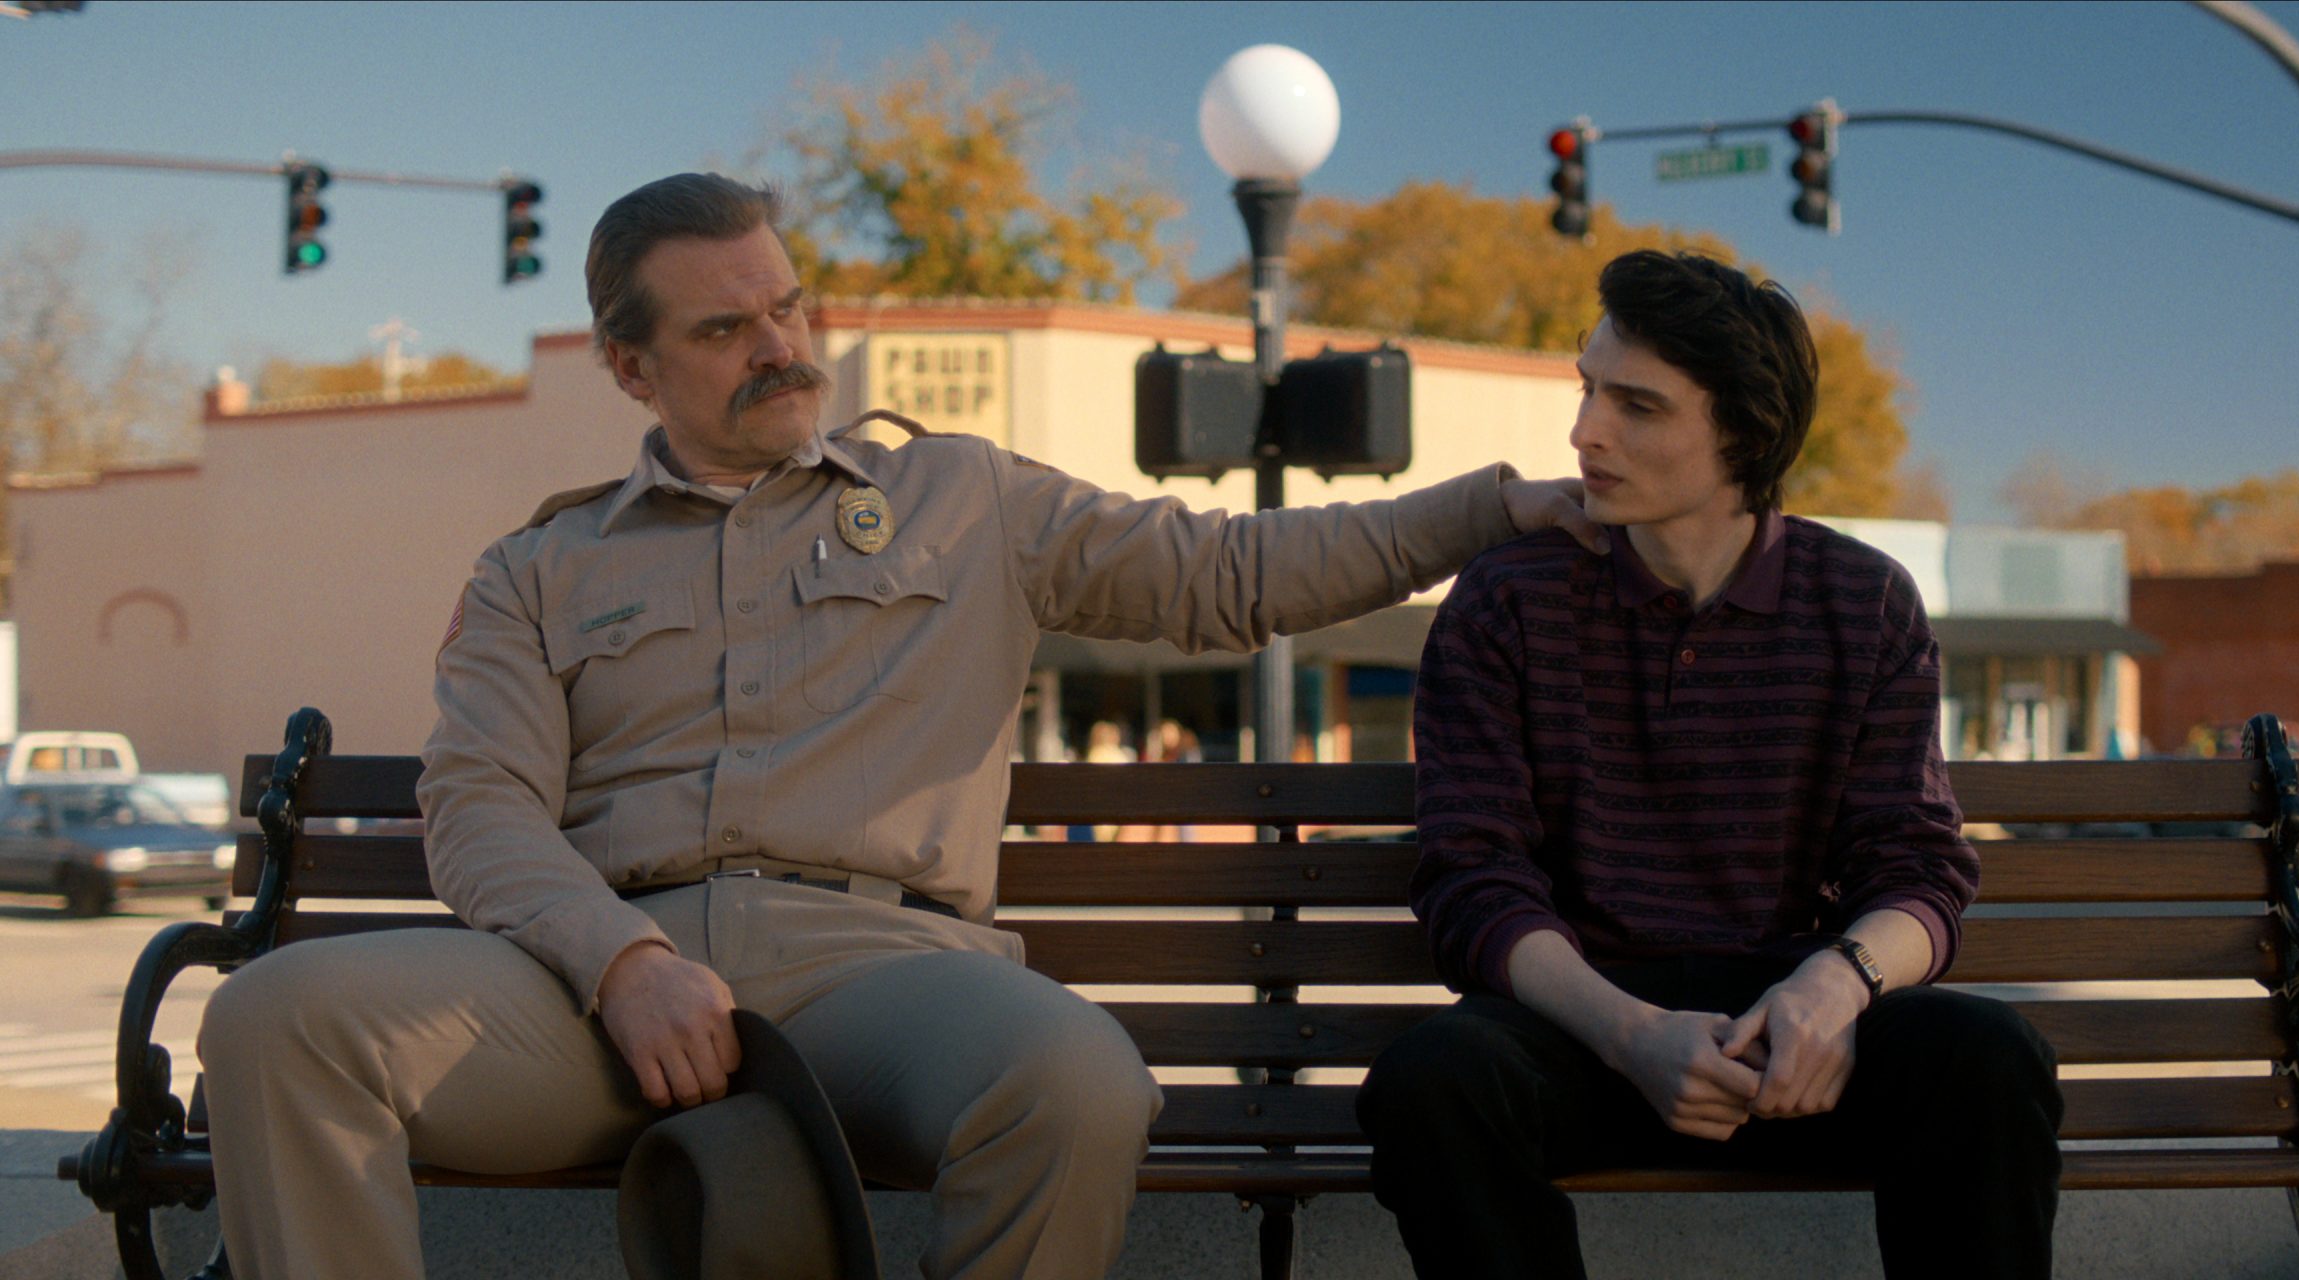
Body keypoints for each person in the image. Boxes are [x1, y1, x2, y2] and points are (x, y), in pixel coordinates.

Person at [193, 172, 1601, 1280]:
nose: (779, 348)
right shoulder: (539, 567)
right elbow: (482, 806)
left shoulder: (964, 498)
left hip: (890, 977)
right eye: (724, 329)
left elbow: (1231, 574)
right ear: (630, 367)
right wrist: (621, 960)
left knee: (1077, 1081)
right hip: (601, 997)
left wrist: (1488, 508)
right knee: (275, 1021)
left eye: (787, 307)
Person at [1356, 250, 2062, 1280]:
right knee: (1435, 1079)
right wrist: (1631, 1035)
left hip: (1798, 1037)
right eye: (1588, 388)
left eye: (1636, 405)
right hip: (1585, 1029)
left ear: (1743, 434)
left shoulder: (1861, 600)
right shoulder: (1508, 598)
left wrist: (1838, 984)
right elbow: (1473, 875)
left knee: (1989, 1059)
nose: (1585, 431)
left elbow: (1916, 864)